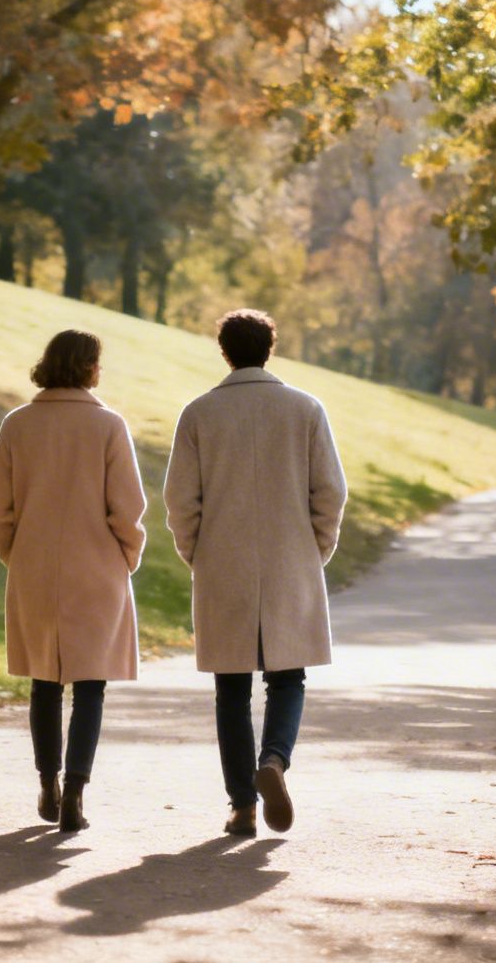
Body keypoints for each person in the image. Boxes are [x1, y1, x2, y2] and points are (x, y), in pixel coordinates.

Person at [165, 309, 348, 837]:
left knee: (231, 689)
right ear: (271, 347)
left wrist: (194, 551)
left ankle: (242, 804)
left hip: (224, 559)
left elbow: (181, 500)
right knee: (289, 678)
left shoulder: (199, 414)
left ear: (224, 351)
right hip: (291, 556)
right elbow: (330, 492)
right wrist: (316, 548)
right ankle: (274, 759)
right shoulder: (305, 409)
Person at [0, 329, 148, 833]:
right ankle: (77, 789)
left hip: (33, 566)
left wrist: (15, 552)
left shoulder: (18, 424)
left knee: (44, 683)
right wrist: (127, 557)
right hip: (98, 566)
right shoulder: (107, 425)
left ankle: (47, 782)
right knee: (91, 684)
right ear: (88, 368)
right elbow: (129, 508)